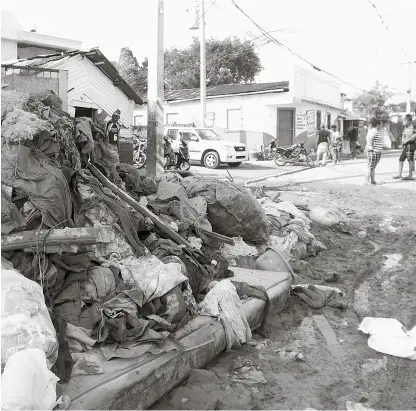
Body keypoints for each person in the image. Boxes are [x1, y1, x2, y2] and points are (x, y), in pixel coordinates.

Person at [393, 114, 416, 180]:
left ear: (407, 121)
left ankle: (410, 176)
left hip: (410, 145)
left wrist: (407, 140)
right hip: (407, 145)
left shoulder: (413, 128)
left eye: (404, 120)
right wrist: (403, 140)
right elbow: (403, 135)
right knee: (402, 160)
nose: (403, 122)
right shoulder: (406, 127)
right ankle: (401, 174)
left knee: (408, 160)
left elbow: (415, 135)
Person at [364, 117, 383, 185]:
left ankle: (373, 180)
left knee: (373, 166)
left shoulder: (372, 130)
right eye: (380, 124)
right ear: (377, 125)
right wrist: (370, 147)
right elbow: (371, 139)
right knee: (370, 166)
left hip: (375, 151)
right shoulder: (374, 131)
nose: (381, 126)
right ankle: (366, 181)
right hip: (373, 151)